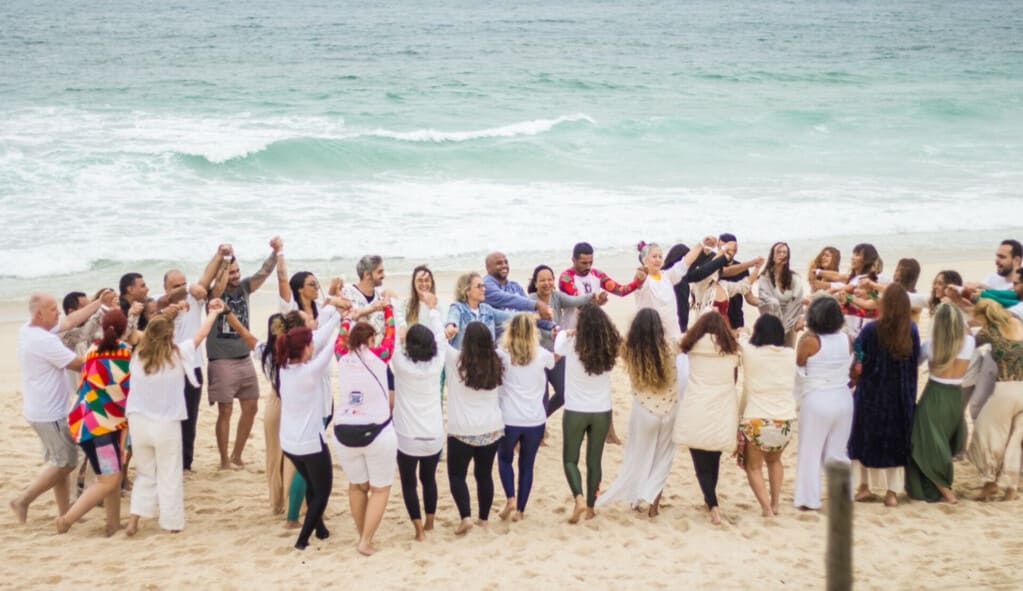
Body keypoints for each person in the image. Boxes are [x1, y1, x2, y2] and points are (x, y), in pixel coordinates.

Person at [125, 299, 223, 535]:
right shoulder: (177, 355)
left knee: (145, 474)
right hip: (166, 424)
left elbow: (130, 334)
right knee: (169, 473)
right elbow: (200, 335)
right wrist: (213, 313)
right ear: (171, 336)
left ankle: (133, 522)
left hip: (138, 422)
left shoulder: (138, 355)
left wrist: (131, 315)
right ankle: (171, 523)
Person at [10, 292, 105, 524]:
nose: (59, 313)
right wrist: (108, 352)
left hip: (43, 409)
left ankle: (64, 512)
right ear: (39, 314)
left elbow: (71, 321)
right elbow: (77, 365)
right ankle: (22, 500)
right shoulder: (44, 340)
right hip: (48, 412)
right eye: (53, 309)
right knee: (66, 463)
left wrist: (98, 303)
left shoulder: (31, 329)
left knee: (60, 461)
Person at [596, 308, 683, 517]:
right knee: (662, 459)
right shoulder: (672, 345)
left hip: (643, 410)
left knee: (638, 456)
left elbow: (610, 335)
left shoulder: (628, 349)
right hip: (669, 410)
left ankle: (636, 499)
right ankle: (653, 507)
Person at [56, 309, 130, 536]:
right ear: (124, 329)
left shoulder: (92, 351)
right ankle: (66, 520)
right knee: (108, 480)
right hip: (103, 429)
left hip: (86, 421)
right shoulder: (125, 354)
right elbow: (126, 390)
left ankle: (113, 524)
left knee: (112, 476)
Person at [208, 238, 281, 469]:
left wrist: (275, 252)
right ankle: (222, 460)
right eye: (231, 273)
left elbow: (264, 273)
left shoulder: (244, 287)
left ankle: (236, 455)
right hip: (221, 359)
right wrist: (225, 261)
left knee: (251, 406)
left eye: (237, 271)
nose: (236, 276)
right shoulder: (214, 294)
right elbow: (218, 288)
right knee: (226, 410)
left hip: (244, 357)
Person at [333, 293, 396, 556]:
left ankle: (363, 535)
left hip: (343, 431)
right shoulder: (380, 355)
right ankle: (365, 540)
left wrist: (348, 317)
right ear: (371, 340)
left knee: (357, 486)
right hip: (376, 431)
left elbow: (340, 334)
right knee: (380, 489)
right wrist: (389, 307)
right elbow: (391, 334)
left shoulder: (341, 355)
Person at [275, 302, 342, 550]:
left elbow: (320, 338)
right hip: (309, 443)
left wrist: (335, 317)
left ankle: (320, 529)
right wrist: (341, 321)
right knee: (323, 491)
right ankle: (302, 539)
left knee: (313, 485)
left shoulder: (284, 368)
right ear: (305, 348)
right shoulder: (310, 371)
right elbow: (331, 345)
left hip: (289, 443)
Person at [848, 283, 920, 508]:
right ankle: (891, 493)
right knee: (896, 443)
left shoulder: (871, 330)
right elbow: (915, 361)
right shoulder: (912, 330)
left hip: (872, 393)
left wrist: (854, 377)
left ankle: (863, 487)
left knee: (863, 440)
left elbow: (858, 357)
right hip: (900, 394)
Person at [556, 303, 621, 523]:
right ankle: (592, 507)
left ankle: (579, 498)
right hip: (601, 410)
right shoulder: (609, 346)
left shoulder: (571, 342)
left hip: (576, 409)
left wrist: (568, 331)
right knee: (595, 462)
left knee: (570, 460)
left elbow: (557, 345)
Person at [673, 312, 740, 525]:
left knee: (700, 462)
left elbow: (676, 342)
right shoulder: (731, 350)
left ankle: (713, 506)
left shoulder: (692, 345)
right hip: (721, 407)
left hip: (697, 405)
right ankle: (709, 500)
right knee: (714, 457)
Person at [392, 289, 446, 541]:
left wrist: (394, 305)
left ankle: (418, 530)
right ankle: (431, 522)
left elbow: (395, 337)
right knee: (429, 479)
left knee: (409, 483)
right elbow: (440, 337)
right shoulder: (437, 365)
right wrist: (432, 309)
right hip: (433, 435)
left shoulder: (401, 364)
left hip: (407, 437)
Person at [156, 260, 220, 472]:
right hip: (167, 369)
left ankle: (185, 463)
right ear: (165, 288)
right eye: (176, 285)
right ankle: (167, 460)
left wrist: (220, 256)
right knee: (167, 418)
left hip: (192, 367)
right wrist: (170, 309)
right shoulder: (159, 304)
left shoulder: (194, 298)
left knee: (190, 417)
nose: (182, 288)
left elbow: (206, 278)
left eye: (184, 283)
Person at [906, 303, 973, 503]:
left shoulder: (932, 343)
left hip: (935, 393)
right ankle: (942, 487)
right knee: (941, 440)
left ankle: (945, 490)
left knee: (925, 441)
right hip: (955, 396)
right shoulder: (969, 341)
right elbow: (968, 329)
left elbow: (914, 362)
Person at [792, 296, 854, 510]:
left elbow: (799, 363)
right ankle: (842, 495)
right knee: (837, 451)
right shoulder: (847, 338)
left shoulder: (810, 340)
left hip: (818, 399)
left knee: (810, 451)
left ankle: (808, 499)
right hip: (843, 398)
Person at [444, 322, 506, 535]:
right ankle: (484, 519)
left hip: (462, 429)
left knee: (457, 475)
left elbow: (437, 341)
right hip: (491, 428)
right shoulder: (496, 361)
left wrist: (437, 316)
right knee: (484, 475)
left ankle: (465, 516)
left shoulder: (457, 360)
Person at [497, 313, 555, 522]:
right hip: (535, 419)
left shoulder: (502, 354)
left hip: (509, 418)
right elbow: (554, 361)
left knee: (504, 459)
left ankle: (510, 497)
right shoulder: (541, 354)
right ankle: (520, 510)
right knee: (527, 464)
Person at [739, 315, 797, 517]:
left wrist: (744, 332)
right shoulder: (790, 354)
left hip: (757, 419)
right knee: (775, 461)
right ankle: (775, 504)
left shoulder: (751, 352)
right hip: (785, 421)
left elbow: (741, 339)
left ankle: (765, 509)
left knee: (753, 467)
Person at [967, 300, 1023, 501]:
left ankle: (989, 483)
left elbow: (968, 346)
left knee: (987, 433)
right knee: (1015, 439)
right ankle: (1011, 487)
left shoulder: (987, 333)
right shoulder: (1019, 324)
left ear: (984, 316)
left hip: (1004, 389)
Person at [526, 264, 592, 417]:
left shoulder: (556, 296)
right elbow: (532, 326)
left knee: (564, 393)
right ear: (535, 283)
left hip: (557, 353)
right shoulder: (530, 301)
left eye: (550, 279)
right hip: (537, 356)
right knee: (540, 397)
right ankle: (540, 431)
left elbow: (576, 300)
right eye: (542, 280)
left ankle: (541, 418)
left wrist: (592, 297)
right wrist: (550, 333)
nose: (547, 283)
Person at [558, 241, 646, 329]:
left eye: (590, 262)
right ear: (573, 260)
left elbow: (620, 291)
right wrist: (597, 302)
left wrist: (638, 282)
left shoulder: (597, 274)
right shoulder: (566, 278)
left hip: (592, 328)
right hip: (571, 330)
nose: (588, 267)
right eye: (584, 263)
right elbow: (578, 303)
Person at [633, 239, 707, 344]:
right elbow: (639, 282)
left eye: (660, 257)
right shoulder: (645, 280)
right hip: (650, 335)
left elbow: (685, 262)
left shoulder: (667, 276)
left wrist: (701, 244)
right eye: (654, 257)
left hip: (672, 335)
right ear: (645, 260)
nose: (658, 260)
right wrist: (639, 277)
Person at [662, 242, 732, 334]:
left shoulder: (663, 274)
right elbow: (704, 271)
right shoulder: (680, 279)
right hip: (675, 328)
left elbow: (704, 270)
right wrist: (723, 256)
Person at [483, 252, 552, 336]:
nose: (504, 265)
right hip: (499, 343)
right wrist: (537, 305)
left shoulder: (515, 286)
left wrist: (552, 326)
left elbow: (530, 313)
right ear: (488, 267)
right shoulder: (485, 286)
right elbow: (506, 299)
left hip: (522, 340)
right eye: (499, 263)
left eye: (506, 262)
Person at [751, 241, 805, 347]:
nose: (782, 255)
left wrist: (787, 323)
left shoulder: (794, 277)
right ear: (772, 256)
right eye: (778, 252)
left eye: (785, 252)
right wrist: (778, 324)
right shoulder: (765, 277)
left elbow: (798, 301)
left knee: (788, 352)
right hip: (771, 323)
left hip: (790, 320)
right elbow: (766, 300)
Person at [824, 243, 885, 337]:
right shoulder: (856, 305)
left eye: (857, 255)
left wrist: (848, 297)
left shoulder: (873, 302)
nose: (856, 290)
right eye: (853, 254)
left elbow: (872, 302)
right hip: (852, 333)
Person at [445, 272, 516, 349]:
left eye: (483, 286)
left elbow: (510, 316)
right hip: (464, 358)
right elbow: (452, 319)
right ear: (467, 291)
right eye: (479, 286)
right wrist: (450, 327)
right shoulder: (458, 307)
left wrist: (528, 315)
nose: (484, 289)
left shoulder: (487, 309)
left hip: (486, 357)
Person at [717, 233, 762, 331]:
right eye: (722, 248)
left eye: (729, 249)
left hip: (736, 319)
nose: (725, 251)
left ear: (735, 250)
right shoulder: (712, 268)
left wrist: (767, 302)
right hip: (715, 320)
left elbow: (749, 297)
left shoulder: (742, 268)